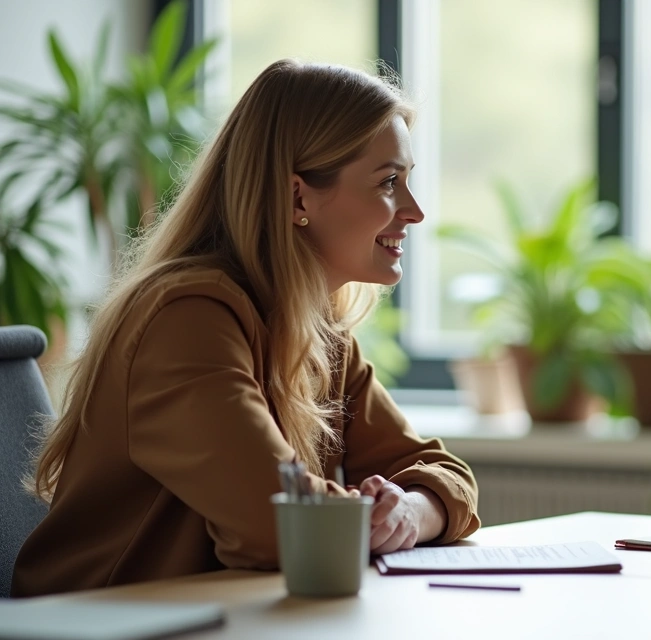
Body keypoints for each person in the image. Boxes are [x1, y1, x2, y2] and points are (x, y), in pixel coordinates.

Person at [12, 60, 480, 597]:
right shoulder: (185, 318)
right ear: (299, 197)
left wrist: (411, 511)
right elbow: (281, 528)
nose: (415, 211)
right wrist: (372, 515)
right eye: (389, 182)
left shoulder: (317, 328)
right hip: (98, 626)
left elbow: (443, 471)